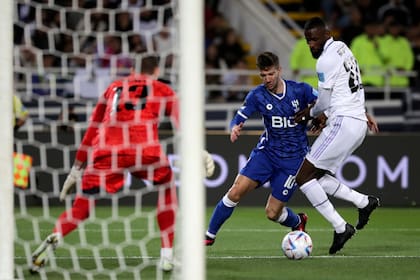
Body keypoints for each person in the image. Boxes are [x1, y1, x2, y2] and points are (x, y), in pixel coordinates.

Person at [30, 55, 215, 273]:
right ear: (156, 70)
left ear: (132, 70)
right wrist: (197, 150)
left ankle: (57, 234)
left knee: (82, 206)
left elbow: (91, 131)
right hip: (144, 150)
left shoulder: (113, 88)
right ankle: (166, 256)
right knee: (167, 184)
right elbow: (181, 124)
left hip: (106, 151)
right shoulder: (161, 88)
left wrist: (76, 169)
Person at [205, 51, 319, 246]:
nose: (267, 79)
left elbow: (325, 101)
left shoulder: (300, 90)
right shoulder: (257, 95)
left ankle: (298, 221)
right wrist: (235, 126)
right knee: (235, 191)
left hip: (294, 161)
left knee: (272, 213)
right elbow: (240, 115)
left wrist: (322, 117)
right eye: (263, 75)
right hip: (266, 154)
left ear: (279, 71)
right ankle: (209, 236)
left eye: (271, 74)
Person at [294, 17, 380, 255]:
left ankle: (341, 227)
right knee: (316, 177)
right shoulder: (343, 47)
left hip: (343, 124)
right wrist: (363, 112)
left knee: (302, 176)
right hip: (356, 123)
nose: (311, 44)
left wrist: (308, 113)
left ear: (326, 34)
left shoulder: (325, 60)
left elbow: (323, 101)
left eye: (314, 39)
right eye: (307, 40)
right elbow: (352, 88)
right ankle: (364, 202)